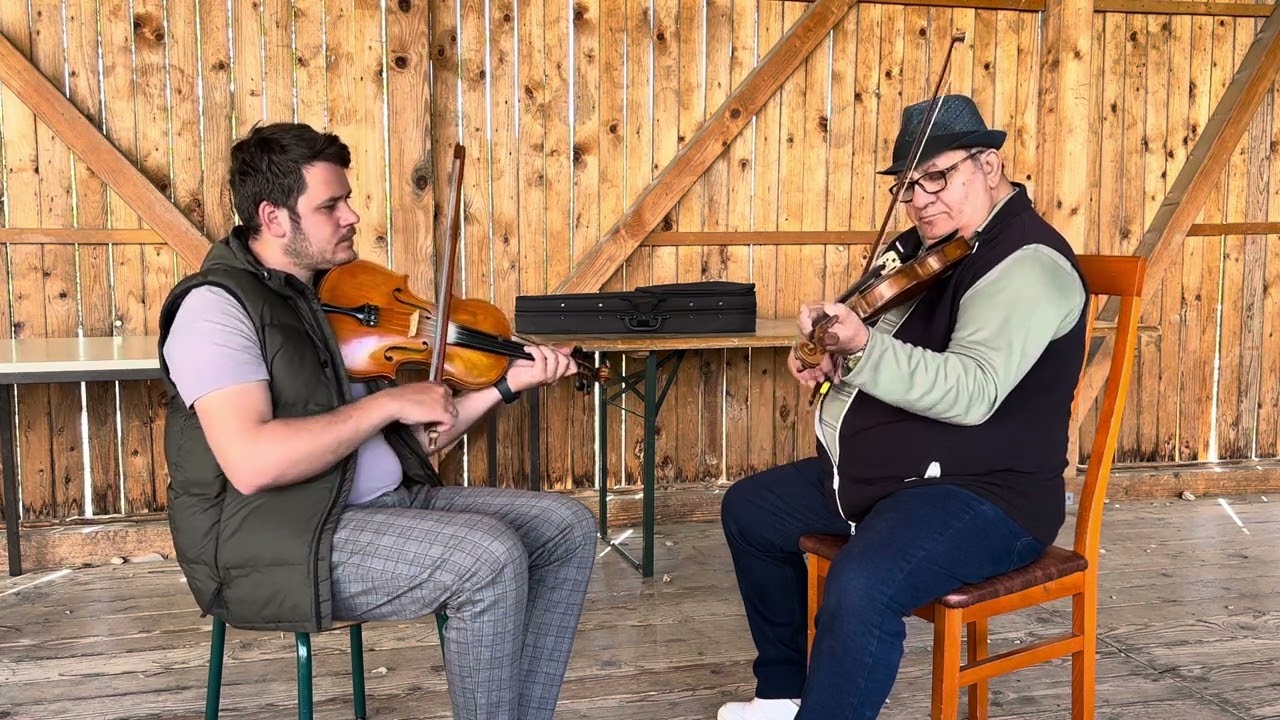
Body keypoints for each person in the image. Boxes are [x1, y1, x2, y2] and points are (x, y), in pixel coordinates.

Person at [157, 122, 598, 720]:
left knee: (565, 526)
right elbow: (253, 461)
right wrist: (385, 403)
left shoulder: (330, 305)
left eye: (347, 199)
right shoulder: (216, 310)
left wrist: (506, 383)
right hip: (274, 539)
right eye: (330, 205)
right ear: (274, 216)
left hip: (379, 509)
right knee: (486, 556)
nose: (352, 216)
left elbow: (416, 444)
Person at [717, 94, 1089, 720]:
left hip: (987, 496)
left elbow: (971, 390)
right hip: (890, 475)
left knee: (862, 586)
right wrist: (824, 341)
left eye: (937, 177)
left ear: (990, 164)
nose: (919, 198)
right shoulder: (923, 248)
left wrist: (860, 348)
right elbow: (864, 319)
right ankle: (783, 696)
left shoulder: (1028, 264)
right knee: (752, 511)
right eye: (909, 184)